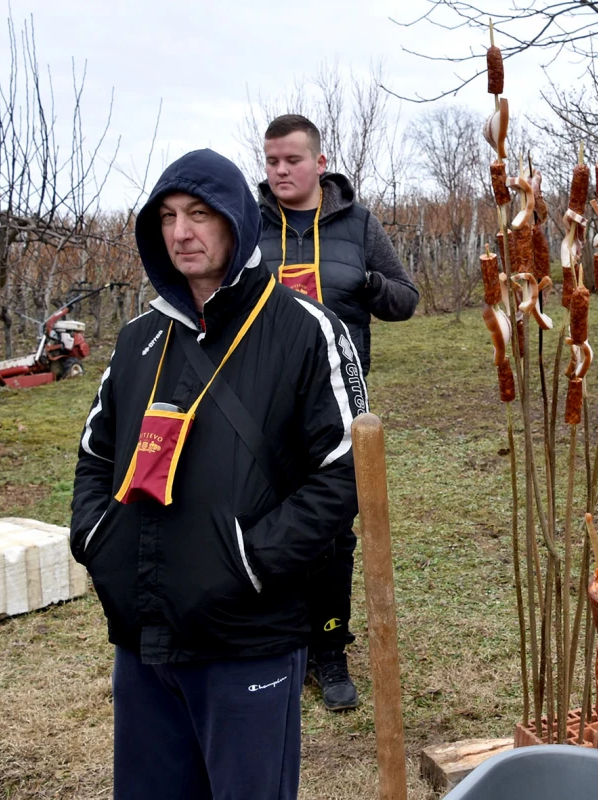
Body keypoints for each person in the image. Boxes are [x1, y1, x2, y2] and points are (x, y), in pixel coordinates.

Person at [69, 149, 367, 799]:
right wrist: (98, 542)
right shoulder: (138, 339)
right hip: (144, 639)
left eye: (200, 214)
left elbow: (344, 475)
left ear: (234, 222)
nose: (182, 232)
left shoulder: (304, 330)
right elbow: (95, 455)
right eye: (169, 216)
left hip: (246, 639)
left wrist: (246, 565)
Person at [258, 113, 417, 710]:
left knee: (330, 531)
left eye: (291, 160)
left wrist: (364, 283)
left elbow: (406, 300)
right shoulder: (248, 224)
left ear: (319, 163)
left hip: (339, 406)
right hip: (263, 405)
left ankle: (328, 651)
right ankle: (282, 645)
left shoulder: (359, 224)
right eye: (271, 160)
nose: (279, 171)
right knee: (267, 519)